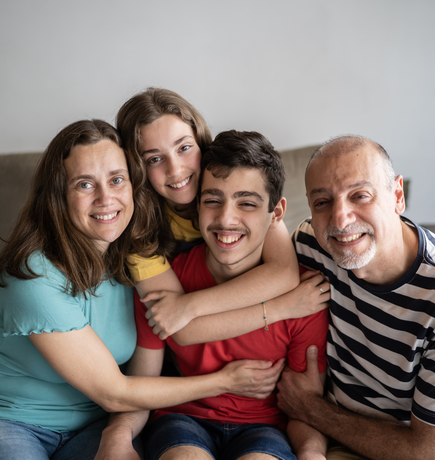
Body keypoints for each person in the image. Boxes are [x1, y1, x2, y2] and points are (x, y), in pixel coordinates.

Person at [0, 120, 285, 460]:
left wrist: (118, 432)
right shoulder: (33, 278)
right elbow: (114, 392)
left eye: (117, 180)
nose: (106, 198)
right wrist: (224, 381)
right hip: (16, 422)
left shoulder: (134, 262)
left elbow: (268, 232)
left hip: (95, 425)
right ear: (58, 195)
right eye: (85, 184)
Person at [98, 130, 330, 460]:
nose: (225, 219)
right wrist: (118, 436)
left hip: (265, 429)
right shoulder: (166, 282)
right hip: (183, 420)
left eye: (247, 203)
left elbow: (305, 408)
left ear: (276, 212)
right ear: (196, 205)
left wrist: (311, 453)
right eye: (212, 200)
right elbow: (141, 384)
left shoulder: (306, 297)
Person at [276, 135, 435, 460]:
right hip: (318, 429)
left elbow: (425, 452)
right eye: (322, 202)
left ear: (397, 196)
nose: (340, 219)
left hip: (399, 443)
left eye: (360, 196)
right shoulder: (311, 244)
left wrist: (310, 409)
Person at [116, 87, 327, 340]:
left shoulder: (237, 183)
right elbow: (179, 330)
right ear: (137, 168)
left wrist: (189, 305)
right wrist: (281, 308)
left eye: (183, 148)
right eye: (154, 159)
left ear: (200, 142)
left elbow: (283, 273)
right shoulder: (141, 232)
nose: (175, 169)